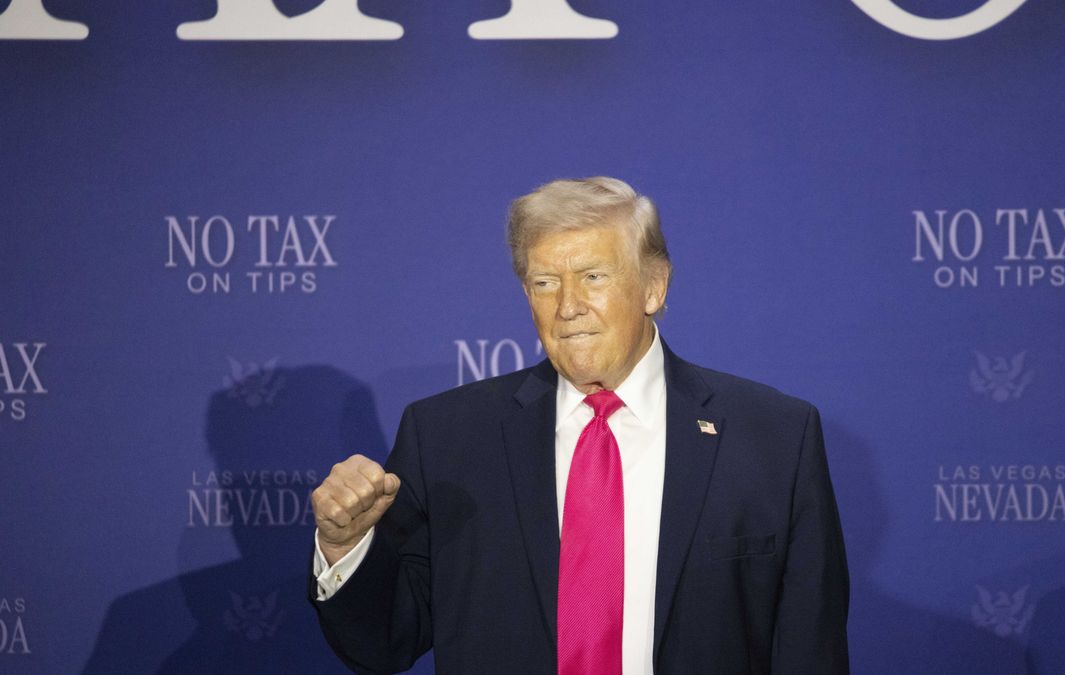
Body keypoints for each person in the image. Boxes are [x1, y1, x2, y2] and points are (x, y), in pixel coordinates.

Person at [308, 177, 849, 674]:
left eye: (593, 277)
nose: (568, 307)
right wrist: (345, 546)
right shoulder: (445, 437)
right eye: (545, 282)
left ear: (654, 287)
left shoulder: (775, 438)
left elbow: (810, 649)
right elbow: (382, 643)